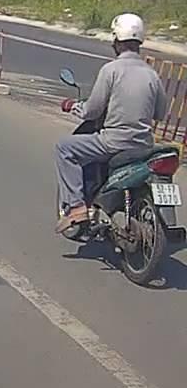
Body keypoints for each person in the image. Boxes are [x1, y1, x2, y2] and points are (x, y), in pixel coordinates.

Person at [55, 13, 169, 232]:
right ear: (139, 42)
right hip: (144, 145)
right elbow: (160, 113)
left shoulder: (111, 70)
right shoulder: (152, 75)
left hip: (113, 143)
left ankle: (76, 207)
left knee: (64, 148)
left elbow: (93, 110)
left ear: (117, 41)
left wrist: (74, 106)